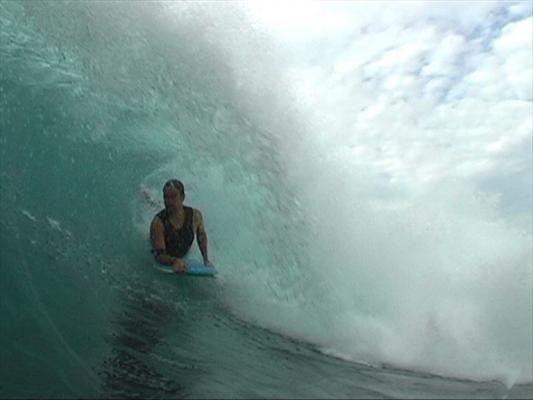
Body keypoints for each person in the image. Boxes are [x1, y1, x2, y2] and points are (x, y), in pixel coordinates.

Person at [150, 179, 211, 273]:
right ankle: (150, 200)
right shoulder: (158, 223)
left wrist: (206, 259)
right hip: (166, 253)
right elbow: (159, 256)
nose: (169, 201)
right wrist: (175, 261)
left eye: (173, 197)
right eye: (166, 197)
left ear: (182, 197)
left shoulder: (195, 216)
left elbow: (201, 237)